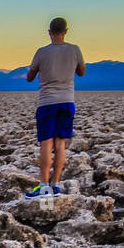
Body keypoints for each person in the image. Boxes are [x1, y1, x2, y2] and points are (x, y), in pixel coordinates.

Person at [24, 17, 85, 197]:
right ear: (66, 31)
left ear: (49, 32)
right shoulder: (74, 50)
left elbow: (30, 77)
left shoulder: (41, 52)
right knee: (60, 143)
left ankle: (43, 187)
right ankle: (56, 185)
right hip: (67, 101)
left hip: (47, 102)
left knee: (46, 142)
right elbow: (81, 71)